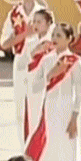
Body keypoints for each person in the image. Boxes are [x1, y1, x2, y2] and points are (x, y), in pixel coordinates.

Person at [25, 22, 81, 161]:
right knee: (49, 151)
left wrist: (75, 117)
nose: (55, 38)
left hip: (67, 110)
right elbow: (34, 87)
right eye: (54, 35)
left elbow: (80, 91)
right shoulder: (47, 60)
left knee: (67, 151)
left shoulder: (75, 61)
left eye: (60, 35)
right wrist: (51, 74)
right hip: (50, 108)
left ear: (69, 39)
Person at [0, 0, 47, 146]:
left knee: (37, 105)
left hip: (39, 64)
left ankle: (37, 145)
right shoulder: (14, 14)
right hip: (20, 62)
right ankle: (24, 146)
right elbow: (4, 43)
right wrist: (23, 35)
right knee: (20, 108)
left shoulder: (43, 13)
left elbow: (51, 40)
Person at [20, 9, 55, 146]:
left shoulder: (53, 43)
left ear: (48, 24)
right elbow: (22, 64)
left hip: (46, 87)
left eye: (39, 22)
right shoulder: (30, 42)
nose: (36, 24)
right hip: (31, 86)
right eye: (34, 21)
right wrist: (34, 52)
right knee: (32, 119)